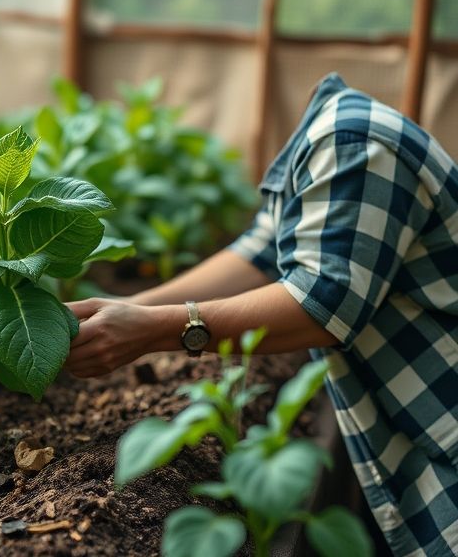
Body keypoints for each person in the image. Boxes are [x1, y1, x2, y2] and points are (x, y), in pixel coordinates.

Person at [64, 73, 458, 557]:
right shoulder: (323, 139)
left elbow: (321, 304)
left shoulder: (354, 144)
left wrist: (154, 331)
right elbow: (261, 254)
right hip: (415, 424)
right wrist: (128, 309)